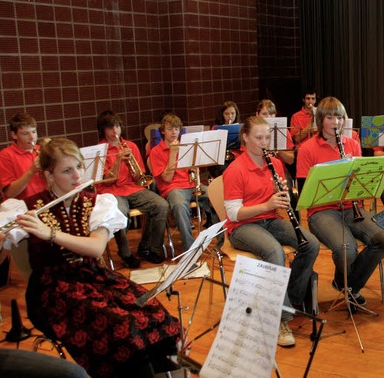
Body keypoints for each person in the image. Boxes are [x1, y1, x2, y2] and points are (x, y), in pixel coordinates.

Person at [0, 138, 181, 378]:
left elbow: (96, 248)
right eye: (67, 170)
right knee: (121, 327)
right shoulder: (26, 208)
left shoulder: (97, 203)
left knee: (155, 312)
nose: (77, 176)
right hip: (52, 290)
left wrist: (49, 233)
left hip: (94, 277)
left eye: (79, 167)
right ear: (49, 175)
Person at [222, 116, 320, 347]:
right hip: (243, 227)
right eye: (258, 137)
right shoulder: (235, 170)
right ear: (245, 138)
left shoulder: (274, 163)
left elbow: (278, 197)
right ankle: (281, 320)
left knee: (311, 244)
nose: (264, 142)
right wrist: (268, 204)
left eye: (267, 137)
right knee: (274, 253)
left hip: (270, 220)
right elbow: (234, 214)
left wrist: (280, 192)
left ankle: (290, 299)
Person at [297, 96, 384, 308]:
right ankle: (349, 286)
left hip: (351, 208)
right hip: (322, 212)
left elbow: (363, 184)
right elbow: (305, 195)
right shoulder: (307, 149)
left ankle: (345, 284)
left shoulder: (352, 144)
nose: (335, 123)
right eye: (330, 117)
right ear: (321, 120)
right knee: (345, 249)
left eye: (339, 117)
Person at [96, 110, 170, 266]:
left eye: (117, 126)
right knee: (120, 213)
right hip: (111, 192)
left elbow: (139, 177)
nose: (114, 131)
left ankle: (150, 248)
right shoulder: (100, 150)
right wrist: (117, 161)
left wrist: (132, 165)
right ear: (103, 130)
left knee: (161, 205)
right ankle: (125, 253)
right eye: (110, 128)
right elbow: (107, 182)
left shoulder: (130, 146)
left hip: (132, 188)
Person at [149, 113, 221, 254]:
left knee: (217, 196)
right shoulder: (156, 152)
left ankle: (222, 243)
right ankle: (190, 250)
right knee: (180, 205)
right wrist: (172, 153)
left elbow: (193, 171)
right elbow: (167, 179)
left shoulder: (186, 146)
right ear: (163, 131)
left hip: (191, 185)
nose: (174, 132)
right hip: (173, 188)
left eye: (176, 129)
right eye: (170, 129)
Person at [0, 113, 47, 201]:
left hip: (45, 202)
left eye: (34, 132)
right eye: (25, 134)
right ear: (14, 135)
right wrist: (31, 171)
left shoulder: (43, 150)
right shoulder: (5, 155)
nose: (32, 137)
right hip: (22, 208)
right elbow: (10, 193)